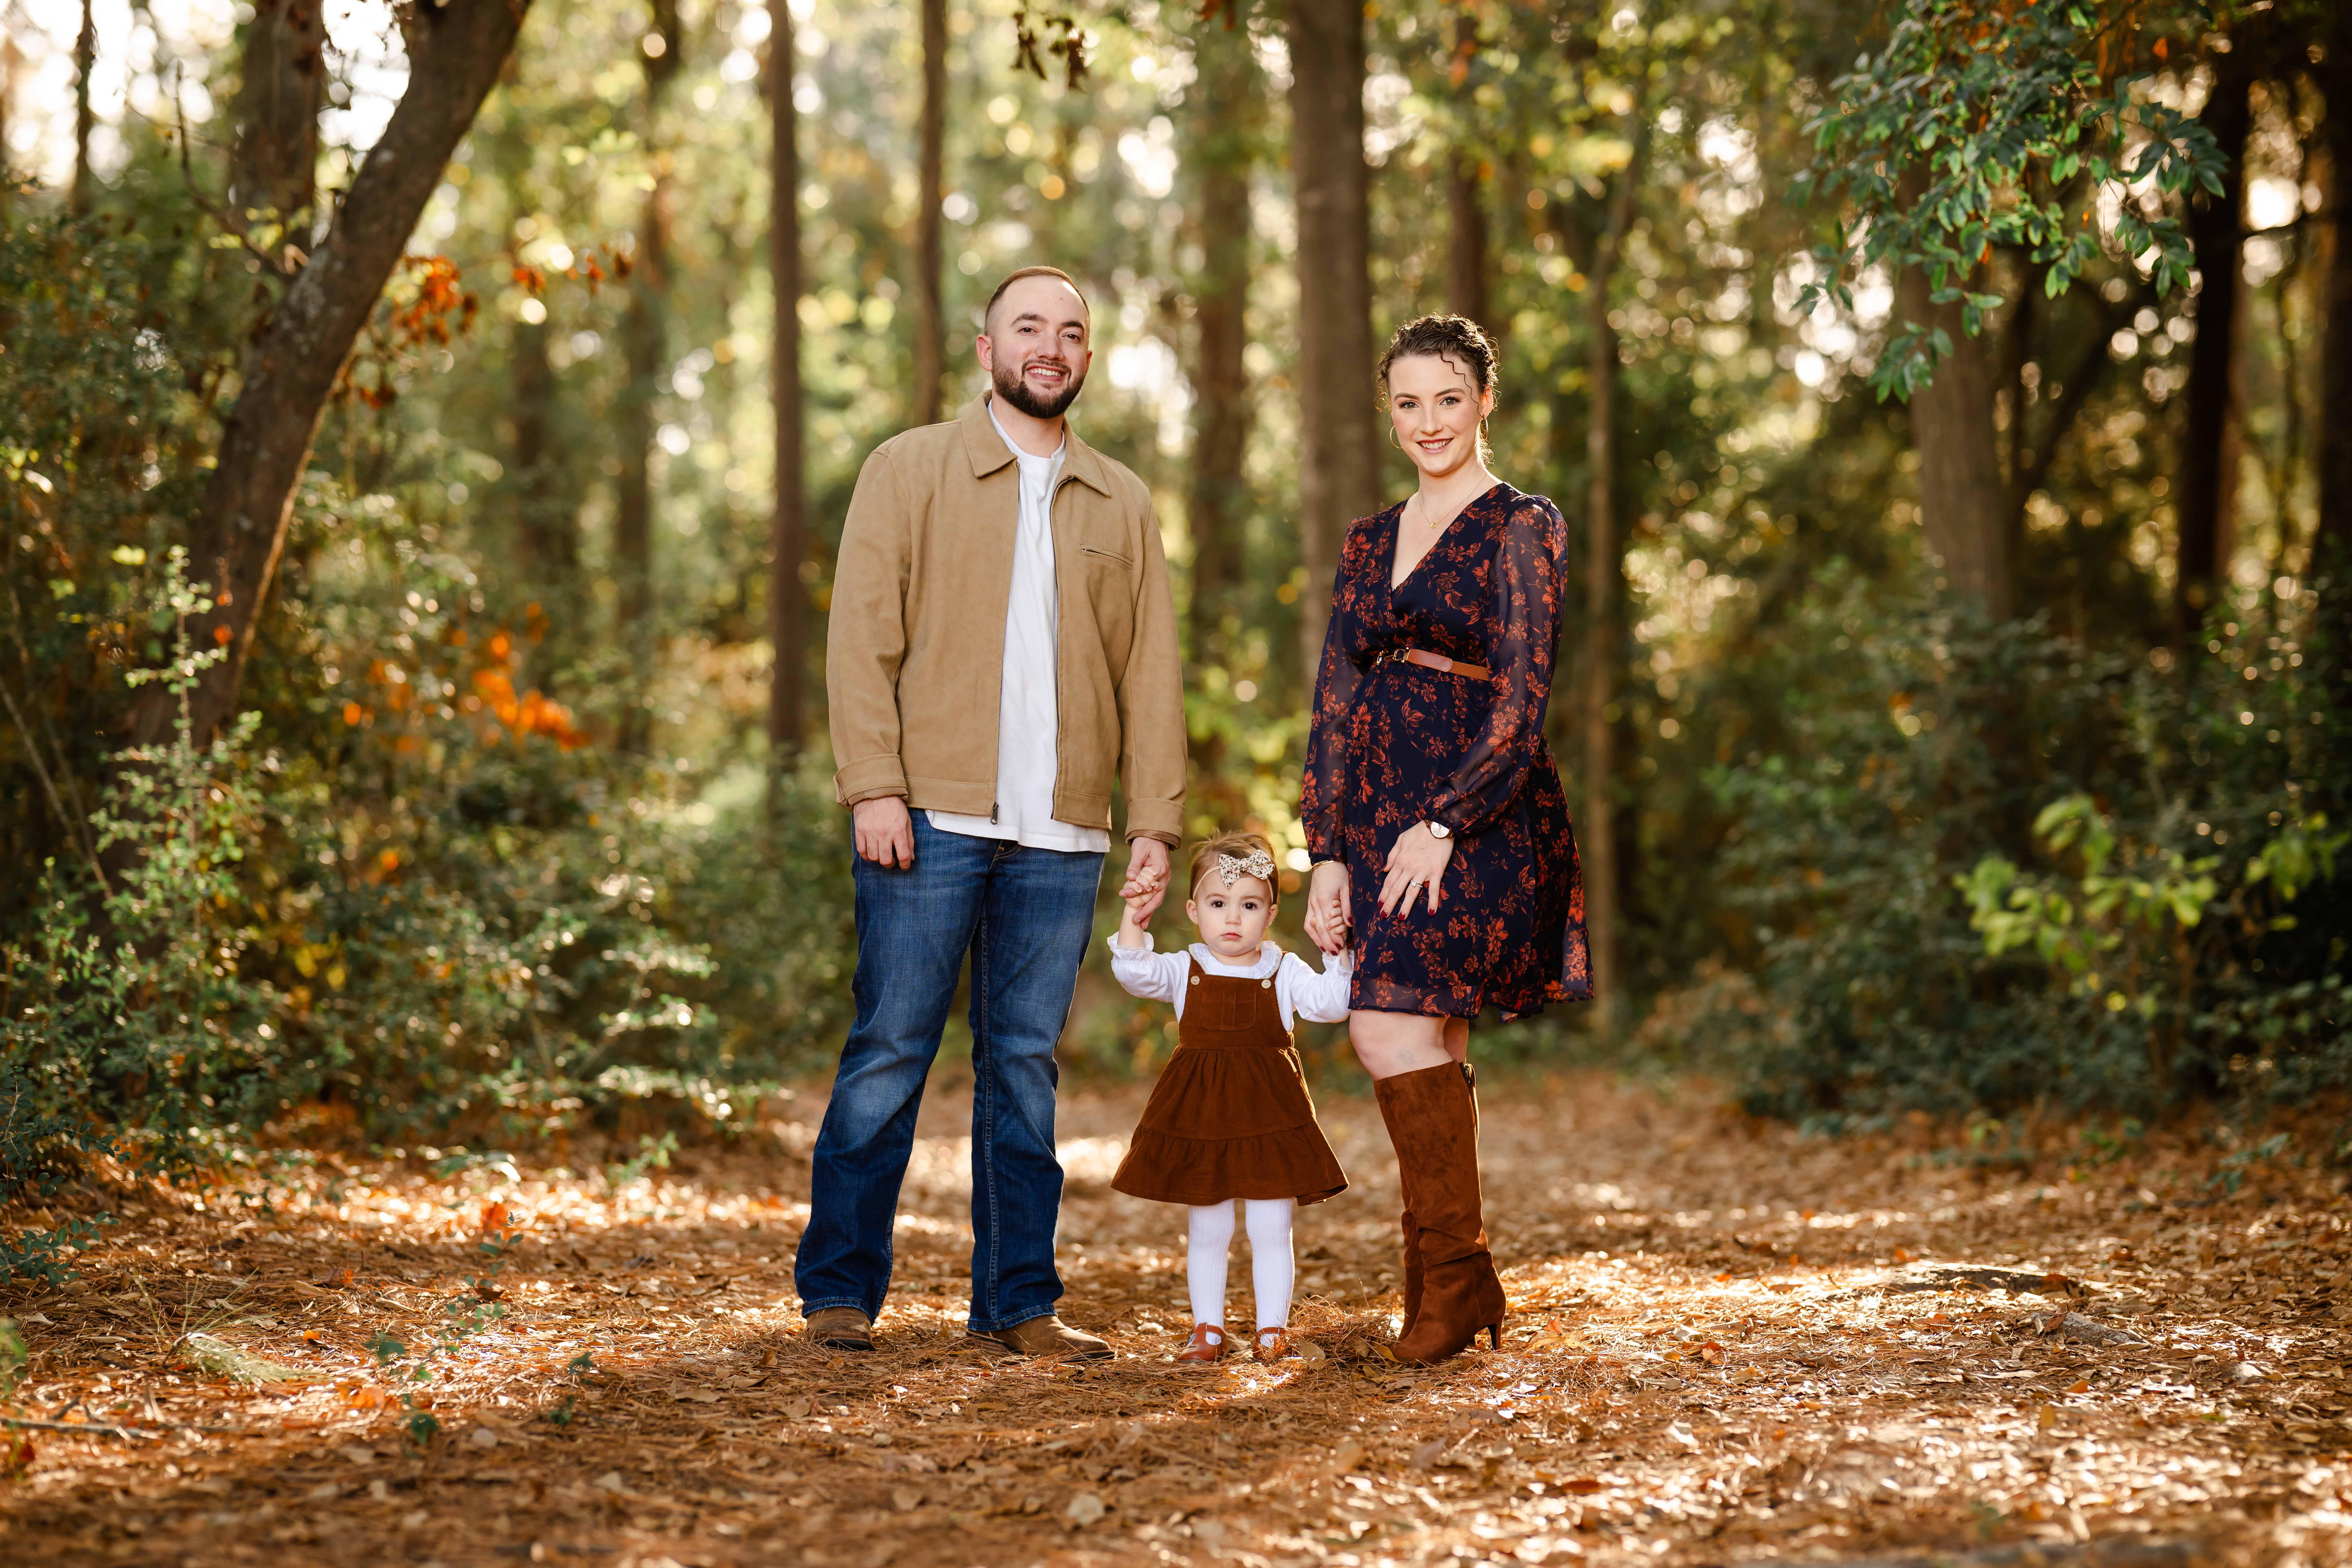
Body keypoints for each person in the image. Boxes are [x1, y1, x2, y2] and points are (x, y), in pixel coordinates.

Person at [799, 266, 1186, 1359]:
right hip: (930, 813)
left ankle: (1018, 1303)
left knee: (1023, 1062)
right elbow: (860, 639)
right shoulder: (908, 469)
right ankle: (838, 1289)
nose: (1049, 347)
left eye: (1069, 332)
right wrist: (873, 782)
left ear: (1087, 358)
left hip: (1062, 833)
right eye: (1029, 328)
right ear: (987, 349)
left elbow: (1149, 668)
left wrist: (1153, 818)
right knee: (889, 1047)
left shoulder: (1122, 500)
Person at [1298, 313, 1591, 1365]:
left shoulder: (1522, 524)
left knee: (1385, 1031)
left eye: (1447, 399)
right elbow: (1335, 693)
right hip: (1374, 810)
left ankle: (1455, 1276)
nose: (1428, 422)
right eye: (1408, 403)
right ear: (1390, 411)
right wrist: (1326, 844)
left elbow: (1522, 698)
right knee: (1429, 1036)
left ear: (1483, 402)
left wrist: (1444, 822)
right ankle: (1444, 1280)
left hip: (1478, 811)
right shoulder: (1368, 539)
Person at [1103, 832, 1353, 1364]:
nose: (1232, 919)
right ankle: (1208, 1330)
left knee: (1271, 1226)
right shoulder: (1184, 967)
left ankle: (1271, 1332)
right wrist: (1135, 919)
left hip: (1271, 1116)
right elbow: (1133, 971)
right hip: (1203, 1116)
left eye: (1249, 905)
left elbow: (1331, 1006)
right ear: (1195, 910)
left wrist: (1338, 954)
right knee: (1209, 1227)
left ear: (1270, 912)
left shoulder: (1282, 970)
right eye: (1218, 904)